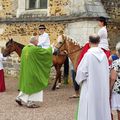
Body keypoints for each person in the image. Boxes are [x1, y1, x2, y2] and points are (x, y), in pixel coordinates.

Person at [76, 34, 111, 120]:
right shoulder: (104, 56)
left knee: (89, 109)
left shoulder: (88, 55)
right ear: (99, 42)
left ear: (89, 42)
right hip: (102, 89)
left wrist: (80, 82)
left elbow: (80, 73)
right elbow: (107, 72)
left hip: (89, 88)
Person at [15, 36, 52, 108]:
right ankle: (30, 102)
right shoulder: (34, 49)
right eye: (37, 41)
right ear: (34, 42)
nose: (38, 42)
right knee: (37, 84)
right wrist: (51, 48)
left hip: (26, 71)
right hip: (33, 71)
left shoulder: (25, 48)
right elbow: (45, 52)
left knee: (27, 85)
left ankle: (19, 98)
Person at [110, 42, 120, 120]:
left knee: (119, 111)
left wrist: (109, 89)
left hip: (118, 90)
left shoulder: (116, 63)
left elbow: (113, 78)